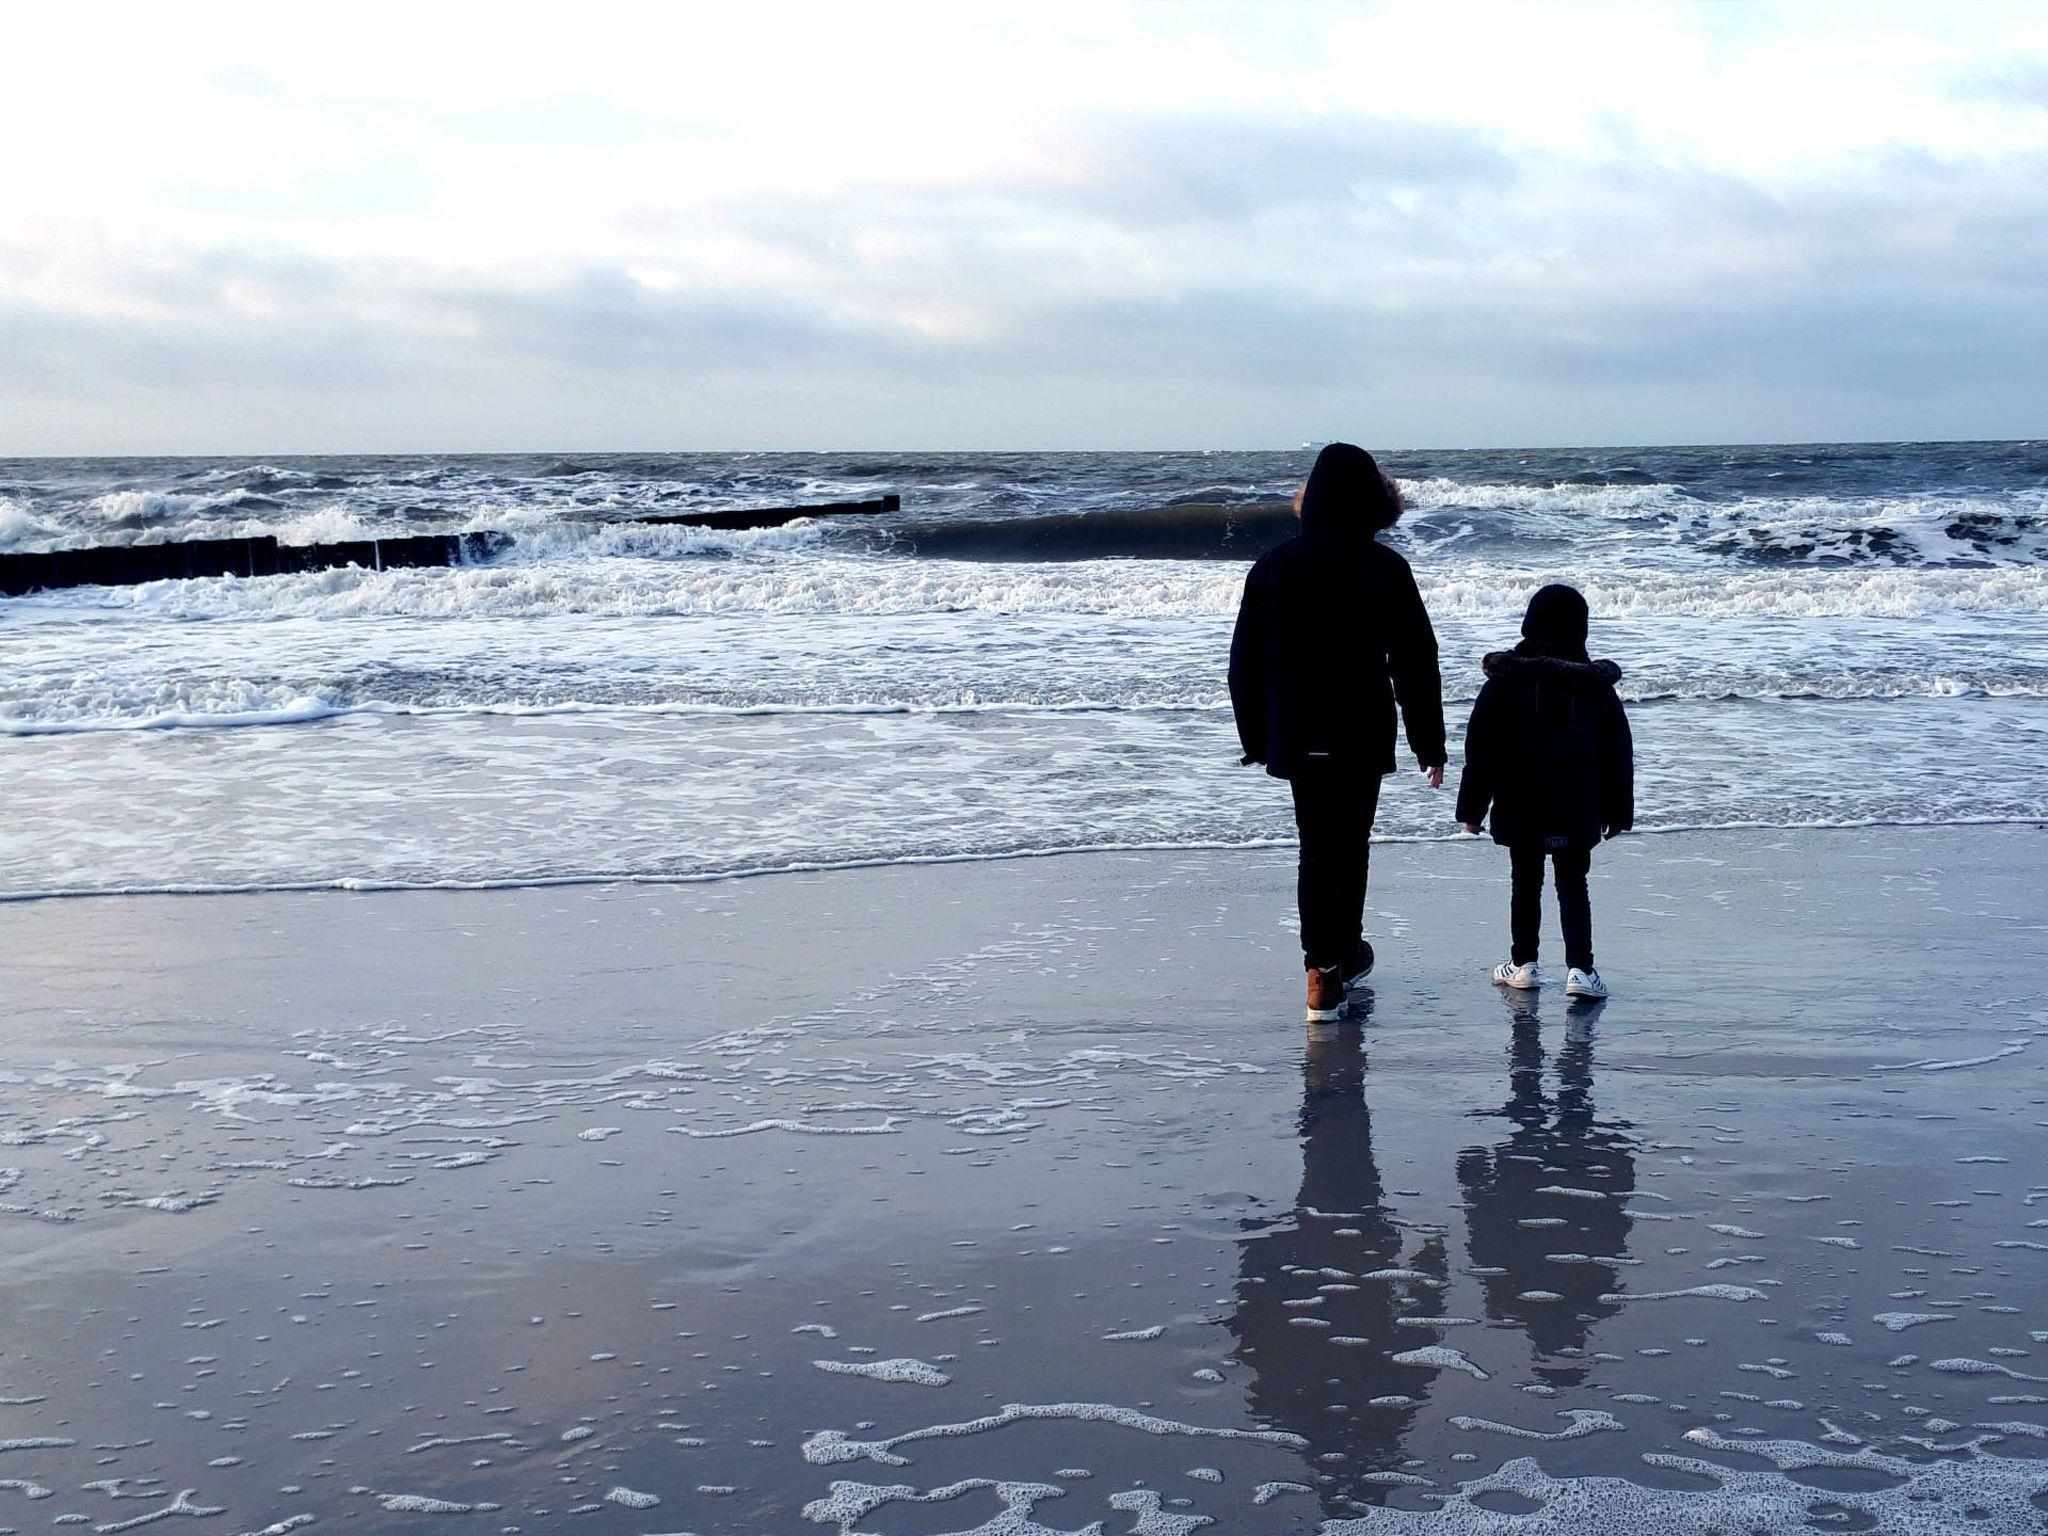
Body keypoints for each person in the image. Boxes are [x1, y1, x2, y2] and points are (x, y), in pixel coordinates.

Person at [1229, 443, 1446, 1023]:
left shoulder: (1273, 566)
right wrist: (1429, 744)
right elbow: (1416, 662)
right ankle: (1341, 958)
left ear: (1313, 499)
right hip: (1360, 730)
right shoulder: (1385, 567)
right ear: (1376, 502)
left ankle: (1322, 973)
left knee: (1315, 847)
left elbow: (1243, 664)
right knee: (1349, 846)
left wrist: (1256, 738)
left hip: (1297, 732)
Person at [1454, 583, 1633, 998]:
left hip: (1521, 803)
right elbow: (1617, 754)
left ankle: (1523, 964)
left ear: (1529, 624)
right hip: (1578, 804)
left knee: (1524, 879)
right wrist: (1618, 810)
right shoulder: (1596, 687)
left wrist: (1472, 810)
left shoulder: (1504, 683)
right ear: (1581, 629)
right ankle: (1581, 971)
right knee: (1573, 882)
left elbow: (1481, 750)